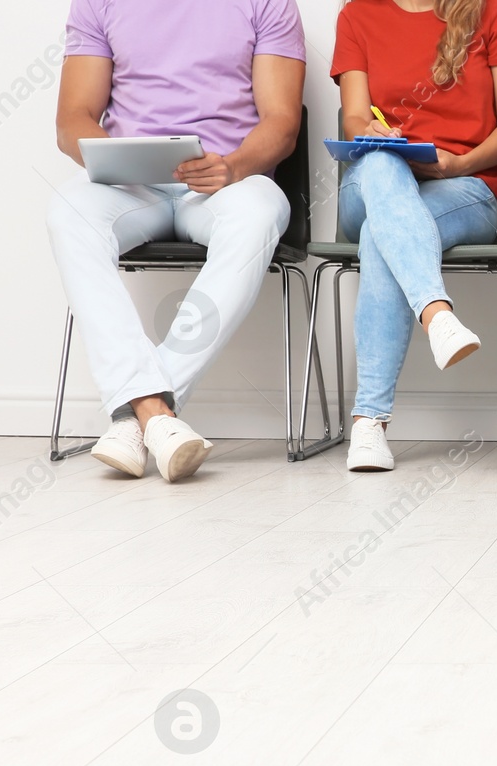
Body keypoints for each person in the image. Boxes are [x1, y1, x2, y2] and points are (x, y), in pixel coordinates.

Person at [48, 0, 306, 482]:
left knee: (260, 211)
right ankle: (156, 414)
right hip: (129, 186)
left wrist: (235, 166)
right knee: (67, 210)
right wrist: (112, 160)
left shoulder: (268, 3)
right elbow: (73, 119)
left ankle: (138, 413)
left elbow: (282, 122)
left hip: (224, 181)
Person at [331, 0, 497, 472]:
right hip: (372, 181)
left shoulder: (493, 11)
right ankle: (436, 312)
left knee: (385, 237)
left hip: (464, 186)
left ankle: (369, 425)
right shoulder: (357, 15)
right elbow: (354, 117)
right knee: (382, 162)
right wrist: (376, 132)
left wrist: (458, 163)